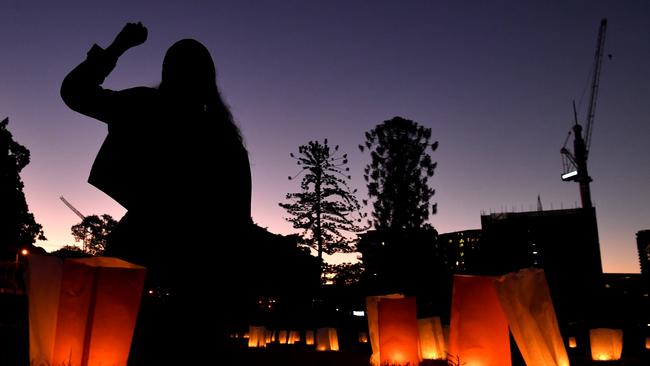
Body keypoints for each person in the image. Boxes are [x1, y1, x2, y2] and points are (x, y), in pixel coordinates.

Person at [61, 22, 253, 363]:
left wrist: (118, 46)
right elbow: (239, 220)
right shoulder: (222, 139)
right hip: (195, 264)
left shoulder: (145, 107)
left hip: (160, 253)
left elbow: (75, 91)